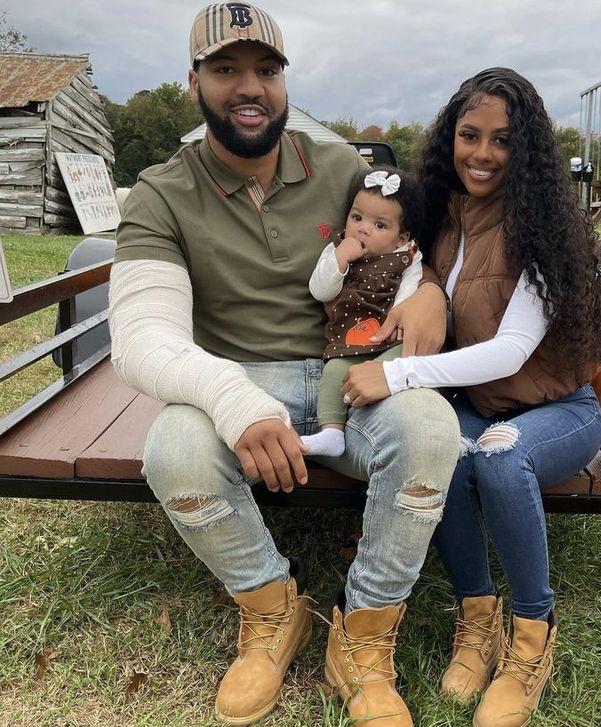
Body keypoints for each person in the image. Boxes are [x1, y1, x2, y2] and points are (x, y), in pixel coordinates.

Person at [108, 4, 460, 726]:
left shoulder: (336, 165)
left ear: (283, 80)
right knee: (172, 447)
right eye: (226, 68)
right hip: (240, 374)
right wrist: (231, 398)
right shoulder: (161, 191)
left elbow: (405, 249)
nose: (250, 87)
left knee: (430, 428)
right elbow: (141, 335)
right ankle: (272, 605)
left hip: (351, 368)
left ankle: (362, 635)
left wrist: (430, 295)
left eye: (266, 70)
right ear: (194, 80)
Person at [343, 67, 601, 727]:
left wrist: (397, 376)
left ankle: (531, 639)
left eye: (501, 140)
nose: (483, 153)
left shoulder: (545, 229)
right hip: (481, 402)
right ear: (450, 139)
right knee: (446, 451)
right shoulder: (445, 215)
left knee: (496, 456)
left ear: (526, 152)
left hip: (558, 410)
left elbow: (513, 348)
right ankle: (476, 620)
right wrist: (428, 288)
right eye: (470, 135)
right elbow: (421, 270)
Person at [302, 166, 424, 457]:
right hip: (349, 343)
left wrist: (401, 320)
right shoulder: (337, 250)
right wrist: (341, 259)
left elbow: (410, 293)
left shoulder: (406, 257)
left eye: (380, 225)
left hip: (391, 340)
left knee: (413, 358)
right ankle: (332, 432)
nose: (363, 229)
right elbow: (320, 291)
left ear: (400, 236)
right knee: (332, 373)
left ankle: (402, 414)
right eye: (357, 217)